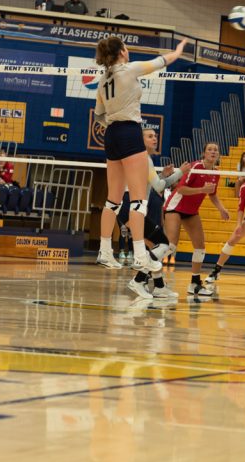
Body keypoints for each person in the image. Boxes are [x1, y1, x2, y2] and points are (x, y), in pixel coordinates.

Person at [94, 35, 189, 274]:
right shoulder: (129, 69)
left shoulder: (103, 79)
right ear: (122, 52)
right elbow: (161, 61)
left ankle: (105, 252)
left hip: (111, 134)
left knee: (113, 200)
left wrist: (113, 125)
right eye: (126, 48)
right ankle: (139, 256)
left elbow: (98, 115)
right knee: (139, 200)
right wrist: (177, 51)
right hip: (128, 131)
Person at [121, 128, 190, 301]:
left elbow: (151, 184)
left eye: (155, 136)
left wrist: (162, 175)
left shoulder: (142, 158)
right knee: (163, 244)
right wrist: (180, 173)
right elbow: (159, 187)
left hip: (132, 206)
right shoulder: (144, 158)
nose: (154, 139)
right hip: (131, 206)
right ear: (141, 139)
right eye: (150, 136)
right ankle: (138, 281)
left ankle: (158, 286)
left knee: (155, 246)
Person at [163, 142, 230, 296]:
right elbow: (180, 189)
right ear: (204, 153)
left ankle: (194, 284)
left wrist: (222, 209)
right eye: (210, 149)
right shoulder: (195, 167)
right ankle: (146, 276)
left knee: (200, 247)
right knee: (171, 246)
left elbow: (212, 194)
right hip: (175, 207)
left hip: (191, 211)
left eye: (216, 150)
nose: (213, 152)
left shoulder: (216, 173)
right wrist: (201, 190)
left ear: (218, 154)